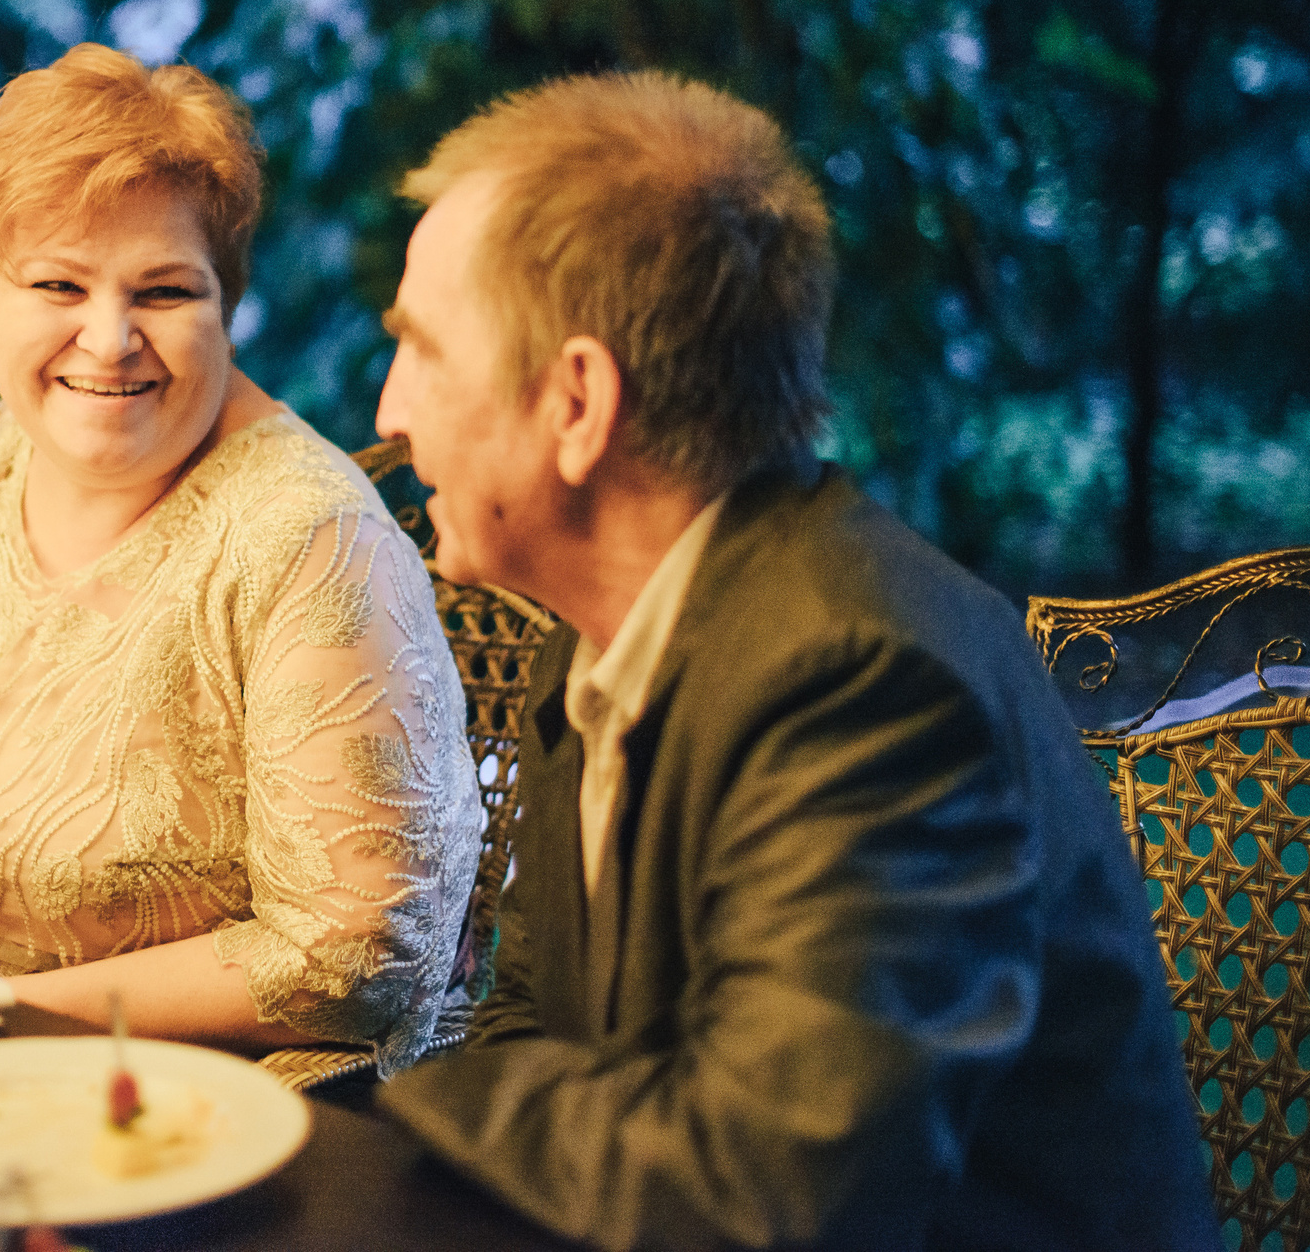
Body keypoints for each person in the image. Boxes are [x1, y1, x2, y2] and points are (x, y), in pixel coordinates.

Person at [372, 74, 1215, 1248]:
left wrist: (400, 1096)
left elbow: (768, 1190)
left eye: (420, 349)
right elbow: (541, 1018)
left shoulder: (862, 680)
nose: (390, 411)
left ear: (577, 403)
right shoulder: (602, 629)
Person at [0, 43, 482, 1069]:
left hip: (194, 1105)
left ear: (226, 308)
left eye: (164, 292)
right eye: (58, 282)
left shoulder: (309, 539)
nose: (108, 337)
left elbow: (355, 957)